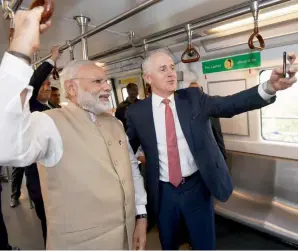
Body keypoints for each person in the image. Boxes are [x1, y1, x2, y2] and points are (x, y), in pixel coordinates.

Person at [0, 7, 147, 250]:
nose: (106, 87)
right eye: (97, 81)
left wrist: (140, 215)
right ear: (71, 88)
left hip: (127, 237)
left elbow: (130, 168)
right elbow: (5, 144)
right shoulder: (50, 123)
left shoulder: (114, 123)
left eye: (105, 81)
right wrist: (20, 50)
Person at [126, 50, 297, 250]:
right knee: (168, 243)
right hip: (163, 193)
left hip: (196, 188)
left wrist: (270, 87)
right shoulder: (137, 113)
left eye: (172, 67)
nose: (171, 73)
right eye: (162, 69)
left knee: (204, 244)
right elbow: (128, 148)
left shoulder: (193, 98)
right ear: (148, 78)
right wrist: (140, 156)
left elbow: (230, 104)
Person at [9, 47, 60, 209]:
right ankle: (14, 194)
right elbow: (34, 81)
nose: (47, 87)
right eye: (43, 84)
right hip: (37, 168)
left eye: (49, 84)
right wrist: (52, 59)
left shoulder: (53, 107)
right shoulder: (30, 106)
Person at [188, 82, 227, 160]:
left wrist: (223, 156)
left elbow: (217, 135)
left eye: (197, 91)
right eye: (191, 91)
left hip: (209, 155)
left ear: (201, 92)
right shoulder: (184, 110)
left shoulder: (210, 110)